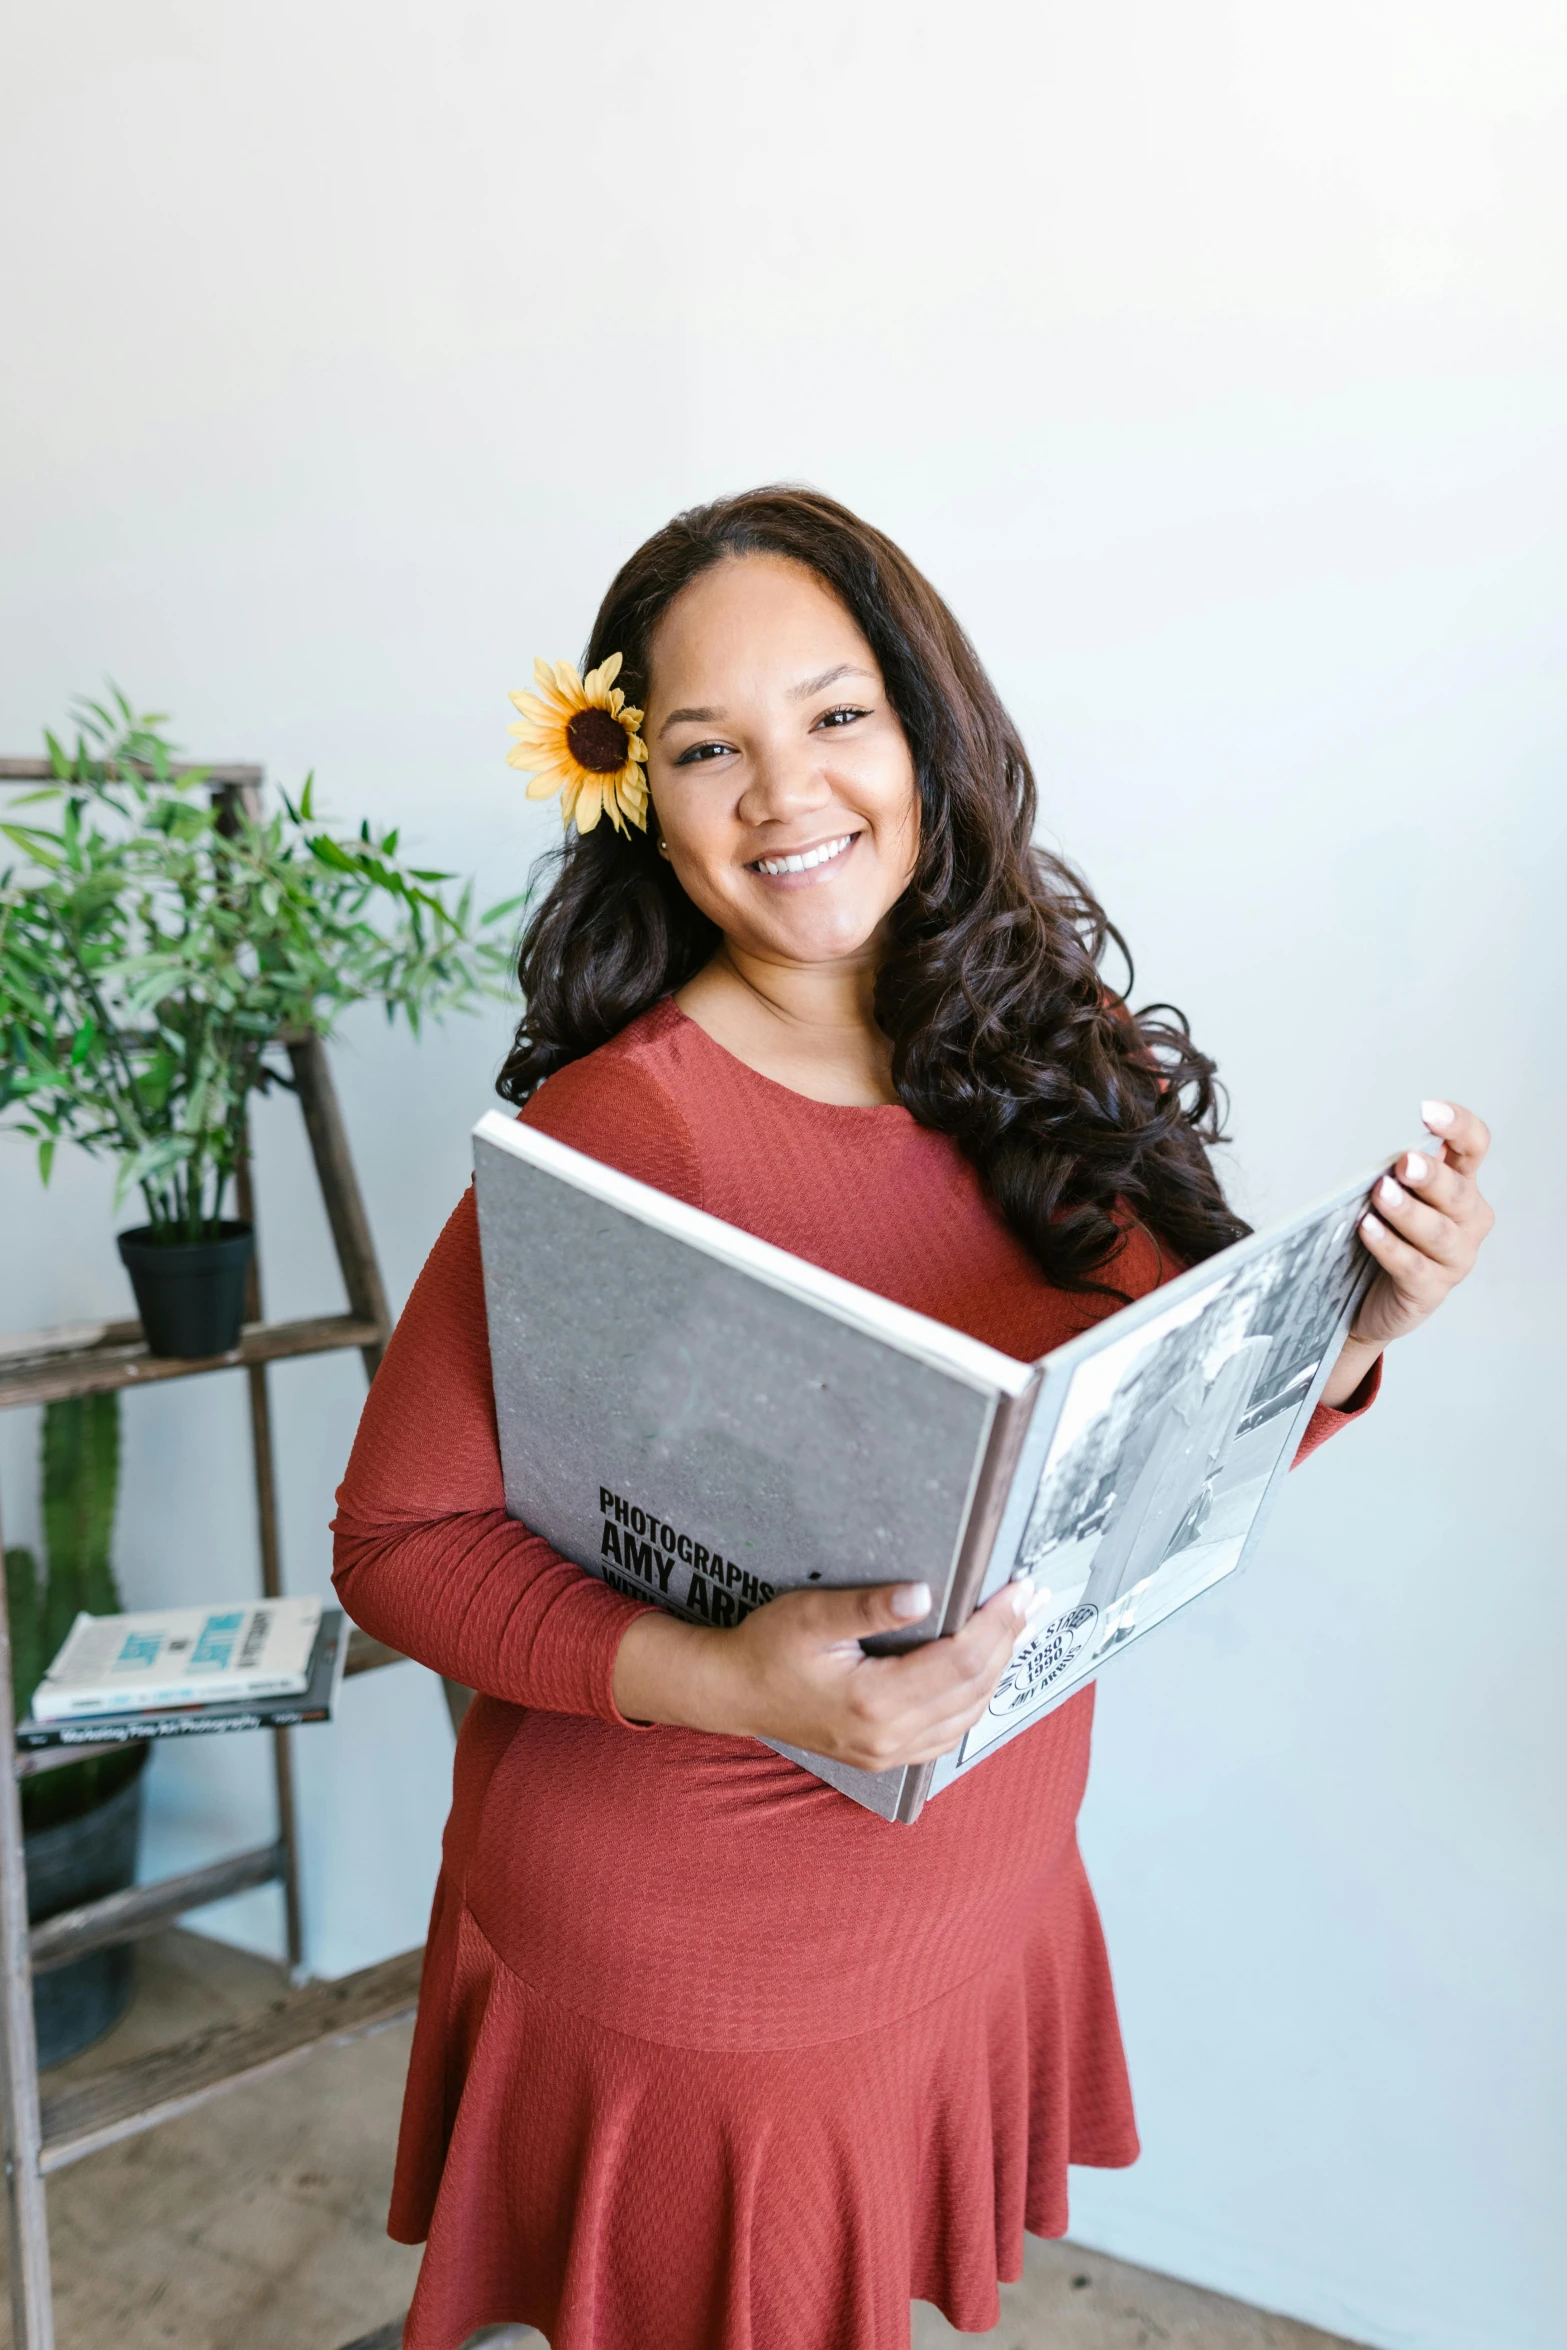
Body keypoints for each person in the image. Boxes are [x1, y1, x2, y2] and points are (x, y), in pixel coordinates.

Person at [332, 487, 1494, 2350]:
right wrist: (743, 1681)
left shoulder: (1038, 1025)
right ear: (636, 785)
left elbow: (1156, 1422)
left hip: (979, 1884)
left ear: (924, 727)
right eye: (707, 747)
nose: (784, 795)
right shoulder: (621, 1136)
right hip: (718, 1956)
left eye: (834, 716)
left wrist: (1351, 1331)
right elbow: (394, 1548)